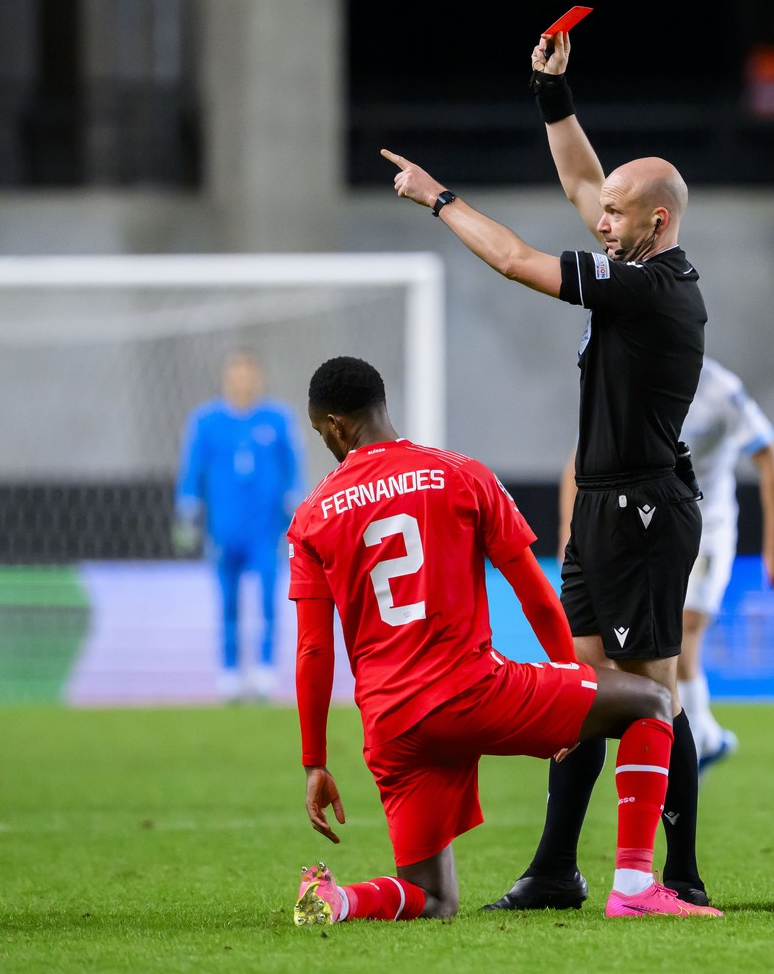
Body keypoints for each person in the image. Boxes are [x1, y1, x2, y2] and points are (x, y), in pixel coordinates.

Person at [382, 28, 710, 909]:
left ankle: (673, 875)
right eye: (602, 211)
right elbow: (577, 180)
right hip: (604, 508)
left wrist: (438, 198)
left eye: (614, 212)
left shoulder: (651, 287)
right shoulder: (632, 256)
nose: (598, 218)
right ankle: (557, 870)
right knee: (585, 692)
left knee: (651, 693)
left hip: (646, 509)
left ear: (657, 221)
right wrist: (550, 94)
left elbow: (516, 260)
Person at [287, 357, 719, 923]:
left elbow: (314, 652)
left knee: (433, 899)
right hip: (474, 691)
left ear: (338, 426)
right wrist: (576, 675)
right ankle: (636, 885)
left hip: (393, 724)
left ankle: (340, 898)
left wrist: (315, 761)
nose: (328, 444)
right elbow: (535, 594)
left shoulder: (312, 513)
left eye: (323, 434)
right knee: (653, 702)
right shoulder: (462, 474)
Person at [556, 357, 774, 771]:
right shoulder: (626, 380)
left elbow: (769, 455)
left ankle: (690, 742)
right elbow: (579, 461)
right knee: (637, 648)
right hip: (635, 530)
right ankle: (702, 735)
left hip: (704, 526)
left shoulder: (721, 390)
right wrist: (569, 534)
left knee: (683, 629)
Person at [174, 348, 302, 701]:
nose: (242, 382)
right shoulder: (207, 421)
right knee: (228, 602)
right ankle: (229, 673)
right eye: (236, 376)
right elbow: (192, 470)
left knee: (269, 599)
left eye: (248, 375)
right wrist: (187, 507)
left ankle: (263, 672)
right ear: (226, 380)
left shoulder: (277, 420)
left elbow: (294, 469)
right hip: (223, 529)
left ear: (257, 379)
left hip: (266, 529)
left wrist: (296, 501)